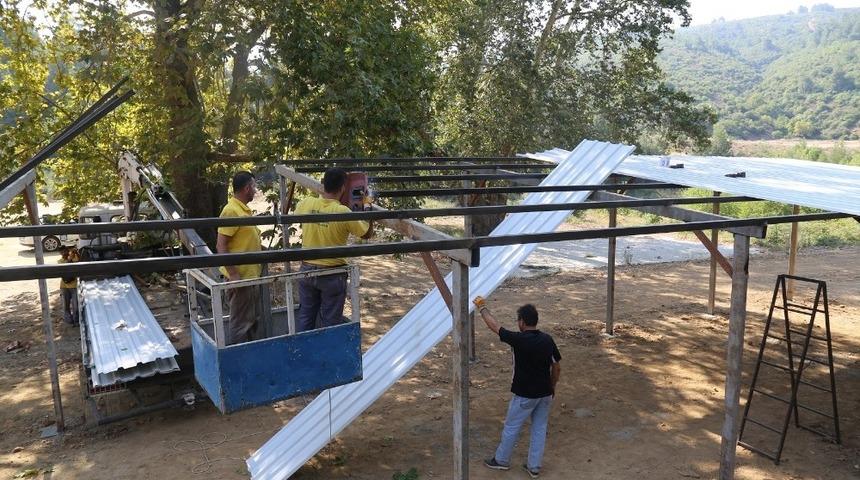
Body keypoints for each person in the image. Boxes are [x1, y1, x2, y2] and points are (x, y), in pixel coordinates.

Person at [473, 296, 561, 479]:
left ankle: (501, 460)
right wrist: (552, 386)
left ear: (522, 322)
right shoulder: (547, 340)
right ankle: (534, 467)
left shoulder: (518, 340)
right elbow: (557, 366)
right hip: (544, 393)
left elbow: (495, 326)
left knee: (512, 427)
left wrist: (482, 308)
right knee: (539, 428)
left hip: (524, 394)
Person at [294, 168, 373, 332]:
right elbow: (366, 233)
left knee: (305, 318)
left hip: (307, 270)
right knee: (330, 323)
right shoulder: (342, 212)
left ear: (323, 185)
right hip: (332, 273)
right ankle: (326, 355)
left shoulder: (307, 203)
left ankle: (301, 354)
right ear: (343, 188)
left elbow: (300, 211)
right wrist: (368, 204)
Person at [216, 171, 262, 344]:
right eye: (254, 187)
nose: (255, 191)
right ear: (247, 188)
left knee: (250, 320)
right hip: (241, 277)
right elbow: (221, 245)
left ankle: (248, 355)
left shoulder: (242, 209)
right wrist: (233, 274)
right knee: (240, 323)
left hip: (249, 275)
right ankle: (238, 359)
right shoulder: (231, 211)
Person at [58, 246, 80, 325]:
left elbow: (78, 262)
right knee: (65, 305)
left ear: (67, 251)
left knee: (76, 306)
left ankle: (76, 321)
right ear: (60, 253)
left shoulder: (74, 258)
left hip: (74, 286)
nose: (64, 253)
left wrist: (75, 253)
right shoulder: (60, 261)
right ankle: (69, 320)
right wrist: (70, 259)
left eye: (65, 251)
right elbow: (64, 268)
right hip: (64, 286)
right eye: (62, 252)